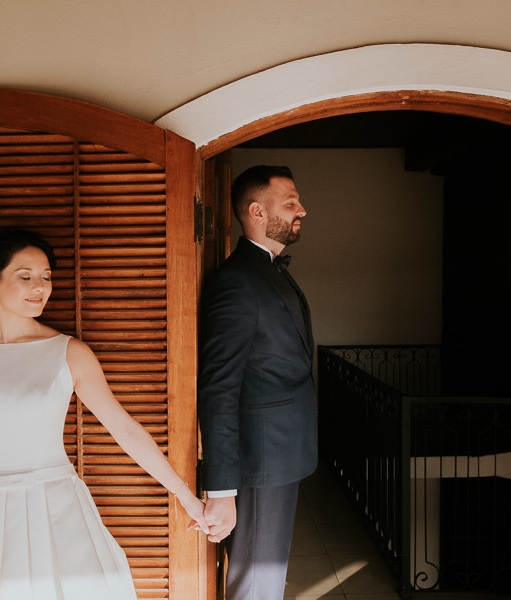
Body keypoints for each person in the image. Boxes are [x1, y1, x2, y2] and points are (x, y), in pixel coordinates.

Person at [0, 229, 207, 599]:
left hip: (52, 508)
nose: (40, 287)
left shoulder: (68, 352)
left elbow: (124, 429)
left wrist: (185, 495)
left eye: (46, 277)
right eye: (25, 277)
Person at [198, 165, 316, 600]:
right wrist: (222, 489)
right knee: (256, 585)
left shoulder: (269, 270)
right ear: (256, 211)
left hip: (279, 456)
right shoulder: (237, 282)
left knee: (267, 579)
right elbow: (218, 388)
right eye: (290, 202)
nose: (302, 209)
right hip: (258, 463)